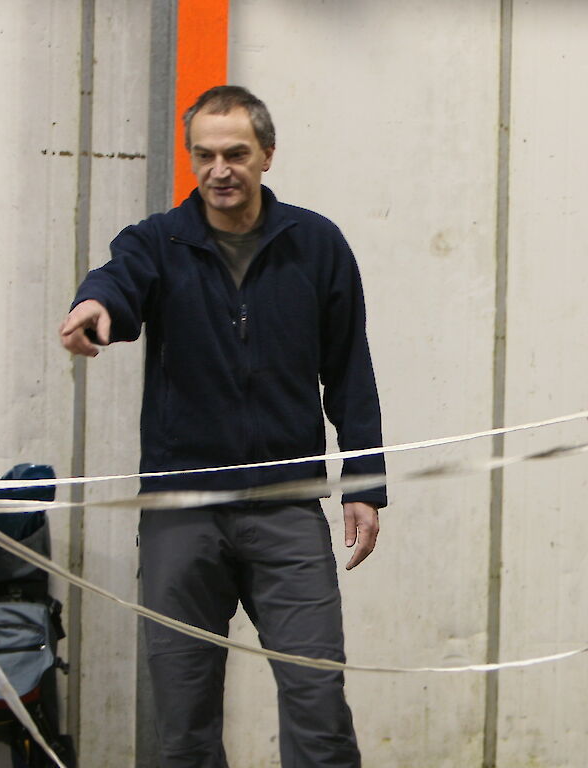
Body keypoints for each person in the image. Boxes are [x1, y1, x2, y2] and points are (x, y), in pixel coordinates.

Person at [58, 84, 383, 767]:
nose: (219, 169)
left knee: (318, 709)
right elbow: (120, 280)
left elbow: (350, 371)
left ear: (267, 153)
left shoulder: (316, 245)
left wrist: (364, 486)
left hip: (286, 509)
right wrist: (96, 307)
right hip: (182, 513)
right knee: (184, 726)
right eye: (203, 155)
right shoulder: (157, 242)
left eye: (236, 152)